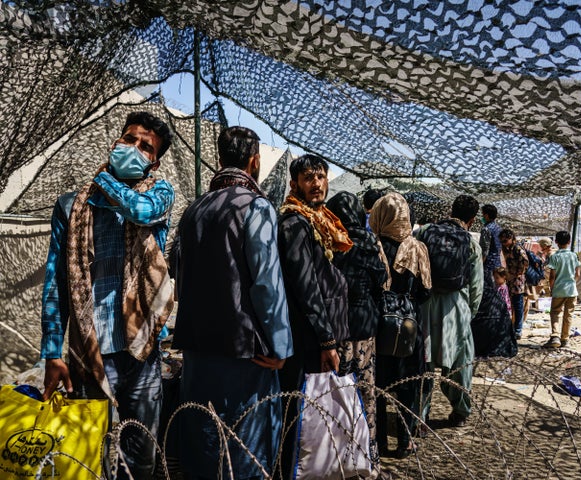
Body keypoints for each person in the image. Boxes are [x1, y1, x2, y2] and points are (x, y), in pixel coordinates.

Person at [40, 111, 175, 480]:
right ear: (116, 142)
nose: (134, 148)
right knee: (86, 456)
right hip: (90, 349)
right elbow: (55, 282)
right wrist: (52, 351)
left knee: (140, 457)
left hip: (141, 351)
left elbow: (139, 210)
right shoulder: (71, 206)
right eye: (129, 139)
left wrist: (104, 179)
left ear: (154, 161)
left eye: (145, 147)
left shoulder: (159, 193)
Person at [173, 126, 293, 479]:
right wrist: (281, 345)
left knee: (204, 440)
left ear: (221, 159)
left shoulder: (194, 209)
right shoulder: (256, 206)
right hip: (244, 352)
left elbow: (182, 277)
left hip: (196, 345)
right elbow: (267, 284)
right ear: (255, 161)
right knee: (244, 447)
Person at [276, 154, 352, 476]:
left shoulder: (320, 221)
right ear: (295, 184)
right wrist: (326, 339)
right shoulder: (295, 223)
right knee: (300, 412)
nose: (317, 183)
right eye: (309, 178)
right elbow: (306, 287)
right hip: (306, 336)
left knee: (316, 410)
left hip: (319, 333)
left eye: (321, 176)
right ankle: (290, 470)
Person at [326, 191, 388, 471]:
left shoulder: (329, 240)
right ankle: (366, 457)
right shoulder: (367, 240)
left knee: (335, 394)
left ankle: (334, 457)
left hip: (335, 328)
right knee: (364, 393)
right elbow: (381, 279)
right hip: (363, 327)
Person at [369, 192, 432, 459]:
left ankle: (379, 442)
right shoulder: (417, 248)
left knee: (379, 389)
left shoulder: (373, 245)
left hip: (380, 327)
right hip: (409, 326)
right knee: (407, 386)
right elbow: (426, 292)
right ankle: (405, 442)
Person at [417, 195, 483, 428]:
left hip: (425, 303)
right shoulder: (471, 242)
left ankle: (419, 416)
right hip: (456, 308)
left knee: (422, 365)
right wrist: (468, 315)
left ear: (450, 210)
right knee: (458, 365)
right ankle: (460, 411)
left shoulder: (424, 232)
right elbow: (477, 287)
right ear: (472, 220)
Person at [543, 231, 581, 349]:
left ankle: (555, 336)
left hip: (559, 289)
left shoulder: (554, 257)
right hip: (572, 290)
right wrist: (572, 282)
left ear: (556, 242)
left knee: (555, 312)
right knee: (568, 314)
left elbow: (552, 276)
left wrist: (551, 288)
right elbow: (578, 274)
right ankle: (565, 339)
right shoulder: (574, 255)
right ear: (569, 242)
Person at [499, 228, 529, 340]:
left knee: (518, 305)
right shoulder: (506, 248)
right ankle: (512, 327)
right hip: (511, 280)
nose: (503, 243)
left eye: (505, 240)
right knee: (511, 304)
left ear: (512, 238)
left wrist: (516, 274)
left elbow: (525, 263)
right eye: (502, 241)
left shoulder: (517, 248)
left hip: (518, 280)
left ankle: (518, 330)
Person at [480, 204, 502, 281]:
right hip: (497, 263)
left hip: (488, 265)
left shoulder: (486, 229)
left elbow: (484, 250)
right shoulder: (499, 228)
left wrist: (480, 265)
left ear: (486, 215)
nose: (482, 216)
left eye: (482, 214)